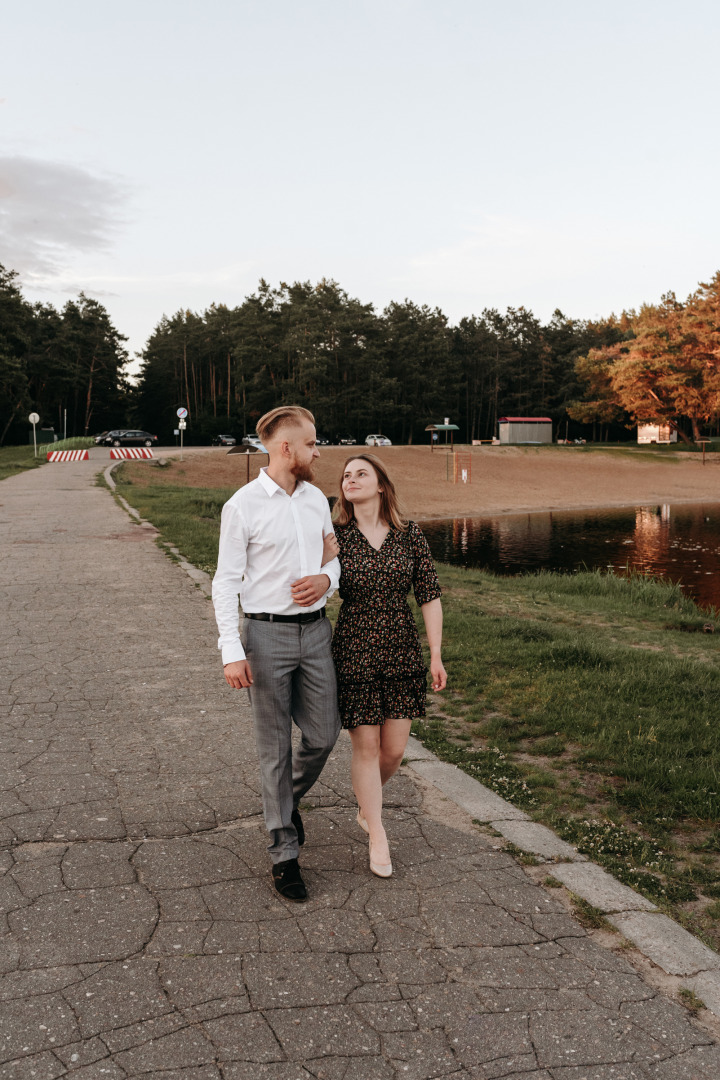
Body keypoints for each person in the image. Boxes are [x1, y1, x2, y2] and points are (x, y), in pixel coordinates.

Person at [212, 406, 341, 903]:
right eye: (311, 443)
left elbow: (336, 559)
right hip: (263, 637)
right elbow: (225, 583)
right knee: (274, 749)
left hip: (316, 635)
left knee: (324, 734)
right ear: (286, 448)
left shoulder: (315, 501)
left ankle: (283, 804)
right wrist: (231, 651)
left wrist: (327, 578)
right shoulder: (242, 505)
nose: (317, 451)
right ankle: (283, 854)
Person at [326, 454, 447, 877]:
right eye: (346, 476)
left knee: (394, 751)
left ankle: (366, 805)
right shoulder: (336, 536)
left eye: (361, 473)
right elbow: (318, 582)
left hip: (401, 650)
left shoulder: (409, 535)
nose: (351, 479)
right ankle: (377, 832)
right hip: (355, 648)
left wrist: (435, 654)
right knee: (367, 746)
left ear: (381, 485)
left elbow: (429, 596)